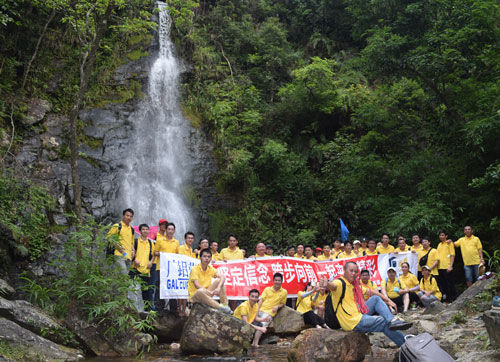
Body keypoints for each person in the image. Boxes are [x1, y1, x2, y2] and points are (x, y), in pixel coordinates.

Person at [319, 262, 412, 347]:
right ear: (344, 271)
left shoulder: (354, 286)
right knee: (383, 322)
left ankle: (392, 320)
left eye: (356, 272)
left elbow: (372, 292)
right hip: (352, 322)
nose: (354, 273)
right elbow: (333, 286)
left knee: (375, 299)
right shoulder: (340, 283)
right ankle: (406, 346)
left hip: (358, 315)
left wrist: (388, 300)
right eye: (351, 271)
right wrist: (327, 284)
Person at [188, 249, 231, 313]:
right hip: (196, 295)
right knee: (200, 291)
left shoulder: (210, 268)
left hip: (207, 292)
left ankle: (225, 304)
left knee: (219, 280)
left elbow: (222, 277)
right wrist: (209, 292)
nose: (207, 258)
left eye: (208, 257)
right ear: (200, 258)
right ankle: (219, 306)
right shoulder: (195, 269)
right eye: (204, 256)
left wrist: (218, 288)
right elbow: (196, 285)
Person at [253, 273, 288, 347]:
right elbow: (261, 300)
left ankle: (255, 343)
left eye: (279, 280)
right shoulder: (267, 289)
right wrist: (256, 311)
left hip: (269, 313)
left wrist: (278, 306)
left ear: (282, 281)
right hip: (261, 310)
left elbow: (283, 303)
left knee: (263, 325)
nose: (277, 282)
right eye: (276, 280)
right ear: (273, 281)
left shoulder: (284, 292)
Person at [154, 221, 179, 311]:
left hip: (171, 268)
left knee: (172, 287)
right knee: (160, 287)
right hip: (161, 267)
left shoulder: (176, 242)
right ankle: (159, 308)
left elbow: (177, 255)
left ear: (174, 231)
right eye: (168, 229)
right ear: (166, 230)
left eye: (172, 229)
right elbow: (155, 252)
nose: (170, 231)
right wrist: (162, 254)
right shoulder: (160, 240)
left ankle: (173, 308)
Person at [130, 224, 155, 311]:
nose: (145, 231)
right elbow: (131, 251)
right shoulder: (136, 241)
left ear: (149, 231)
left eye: (146, 229)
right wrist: (134, 259)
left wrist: (151, 262)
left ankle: (146, 311)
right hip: (135, 269)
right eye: (143, 229)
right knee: (134, 289)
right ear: (140, 231)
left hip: (146, 270)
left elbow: (154, 254)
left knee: (145, 292)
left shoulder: (151, 243)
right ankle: (133, 309)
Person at [107, 208, 135, 272]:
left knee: (123, 278)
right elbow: (110, 238)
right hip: (119, 255)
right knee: (124, 276)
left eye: (131, 216)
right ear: (123, 216)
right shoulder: (117, 226)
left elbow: (131, 243)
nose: (129, 218)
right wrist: (119, 248)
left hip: (129, 257)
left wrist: (133, 250)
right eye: (127, 215)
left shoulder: (132, 229)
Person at [178, 231, 196, 316]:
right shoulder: (181, 248)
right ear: (185, 239)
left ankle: (184, 309)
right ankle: (180, 309)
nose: (190, 239)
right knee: (180, 292)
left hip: (188, 273)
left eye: (192, 238)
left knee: (186, 292)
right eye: (188, 238)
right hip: (181, 271)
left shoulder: (192, 250)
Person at [436, 231, 456, 302]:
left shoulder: (449, 243)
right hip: (440, 267)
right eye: (440, 235)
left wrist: (450, 266)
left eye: (442, 235)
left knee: (450, 283)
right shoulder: (439, 244)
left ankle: (453, 298)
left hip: (447, 266)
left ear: (446, 236)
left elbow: (452, 255)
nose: (441, 237)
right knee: (443, 284)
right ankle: (447, 298)